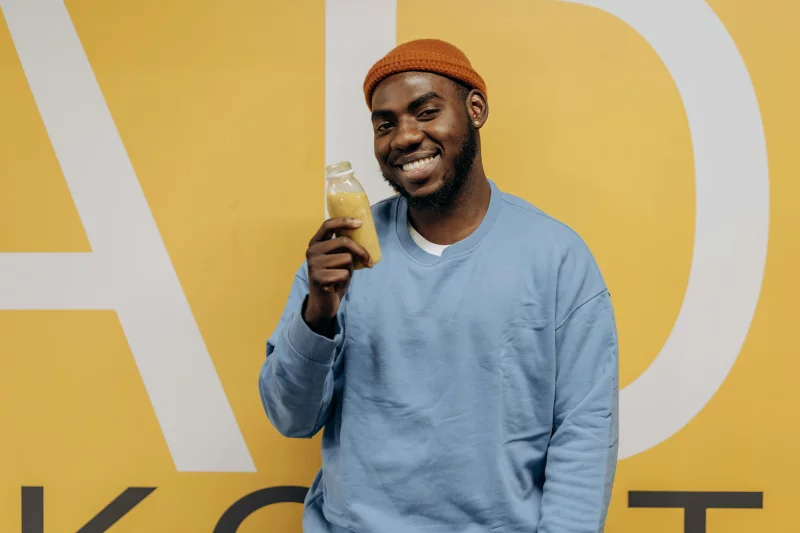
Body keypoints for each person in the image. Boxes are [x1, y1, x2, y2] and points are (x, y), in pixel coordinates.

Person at [259, 38, 619, 533]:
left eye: (426, 112)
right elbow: (290, 418)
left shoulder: (555, 255)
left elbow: (584, 432)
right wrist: (317, 313)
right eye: (385, 125)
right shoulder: (344, 258)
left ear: (475, 110)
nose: (404, 137)